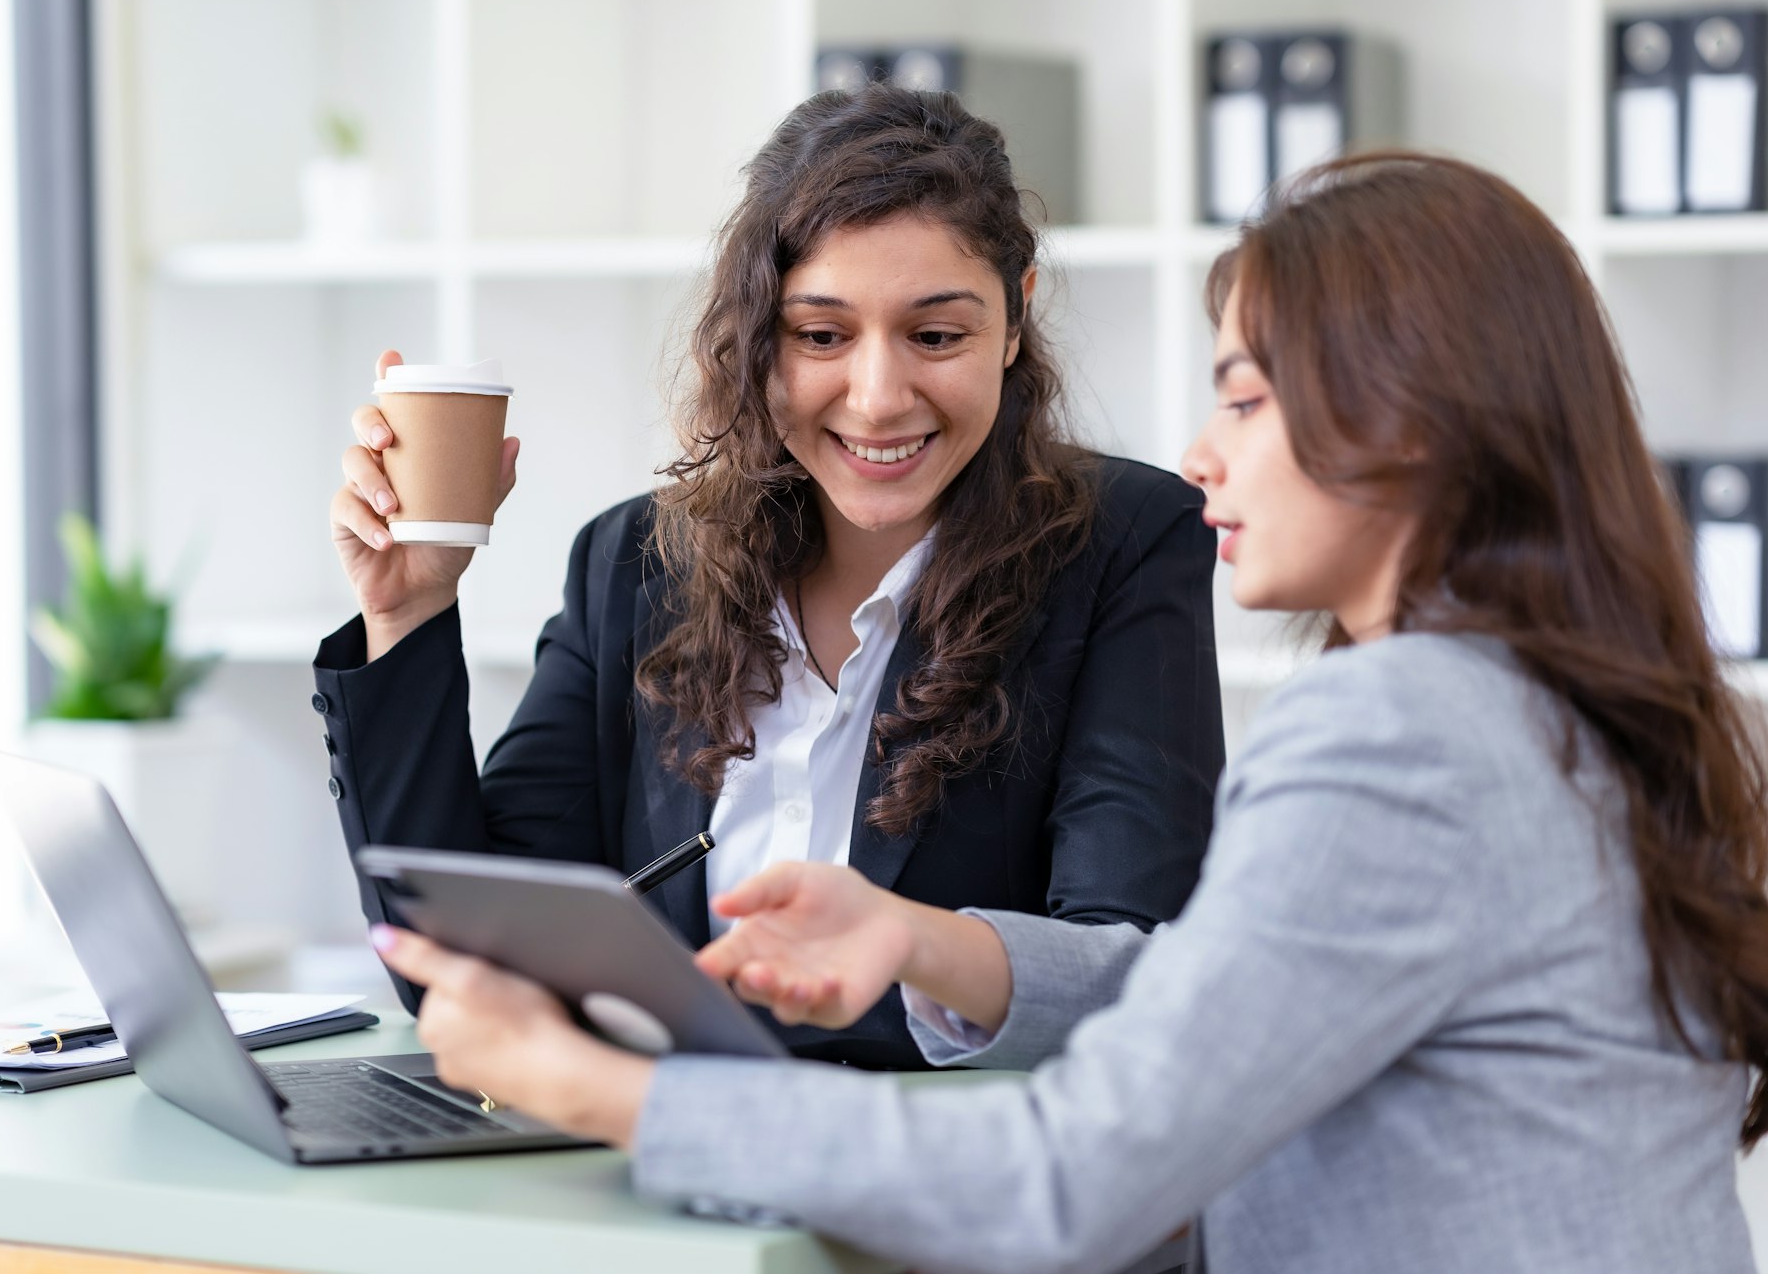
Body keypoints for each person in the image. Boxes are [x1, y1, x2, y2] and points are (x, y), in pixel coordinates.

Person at [370, 150, 1768, 1272]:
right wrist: (920, 938)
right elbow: (1214, 995)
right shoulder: (1552, 707)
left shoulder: (1400, 737)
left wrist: (598, 1089)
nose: (1198, 452)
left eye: (1242, 398)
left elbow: (1074, 1178)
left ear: (1403, 420)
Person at [316, 83, 1224, 1070]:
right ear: (755, 334)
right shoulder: (635, 563)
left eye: (934, 334)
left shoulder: (1124, 542)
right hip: (645, 1167)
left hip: (939, 1183)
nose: (876, 400)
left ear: (1013, 320)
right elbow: (451, 966)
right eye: (819, 335)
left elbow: (1125, 971)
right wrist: (407, 609)